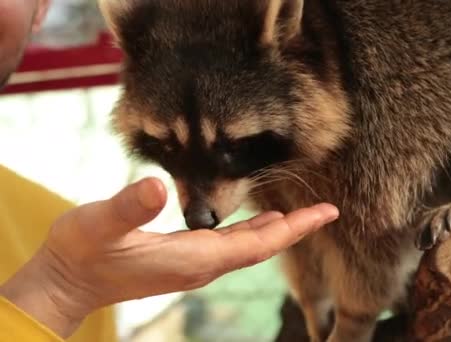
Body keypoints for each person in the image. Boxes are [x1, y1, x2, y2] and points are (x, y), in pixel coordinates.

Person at [0, 1, 340, 341]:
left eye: (230, 148)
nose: (199, 208)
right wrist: (61, 291)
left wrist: (70, 284)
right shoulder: (73, 251)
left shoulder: (59, 230)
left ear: (40, 7)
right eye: (169, 148)